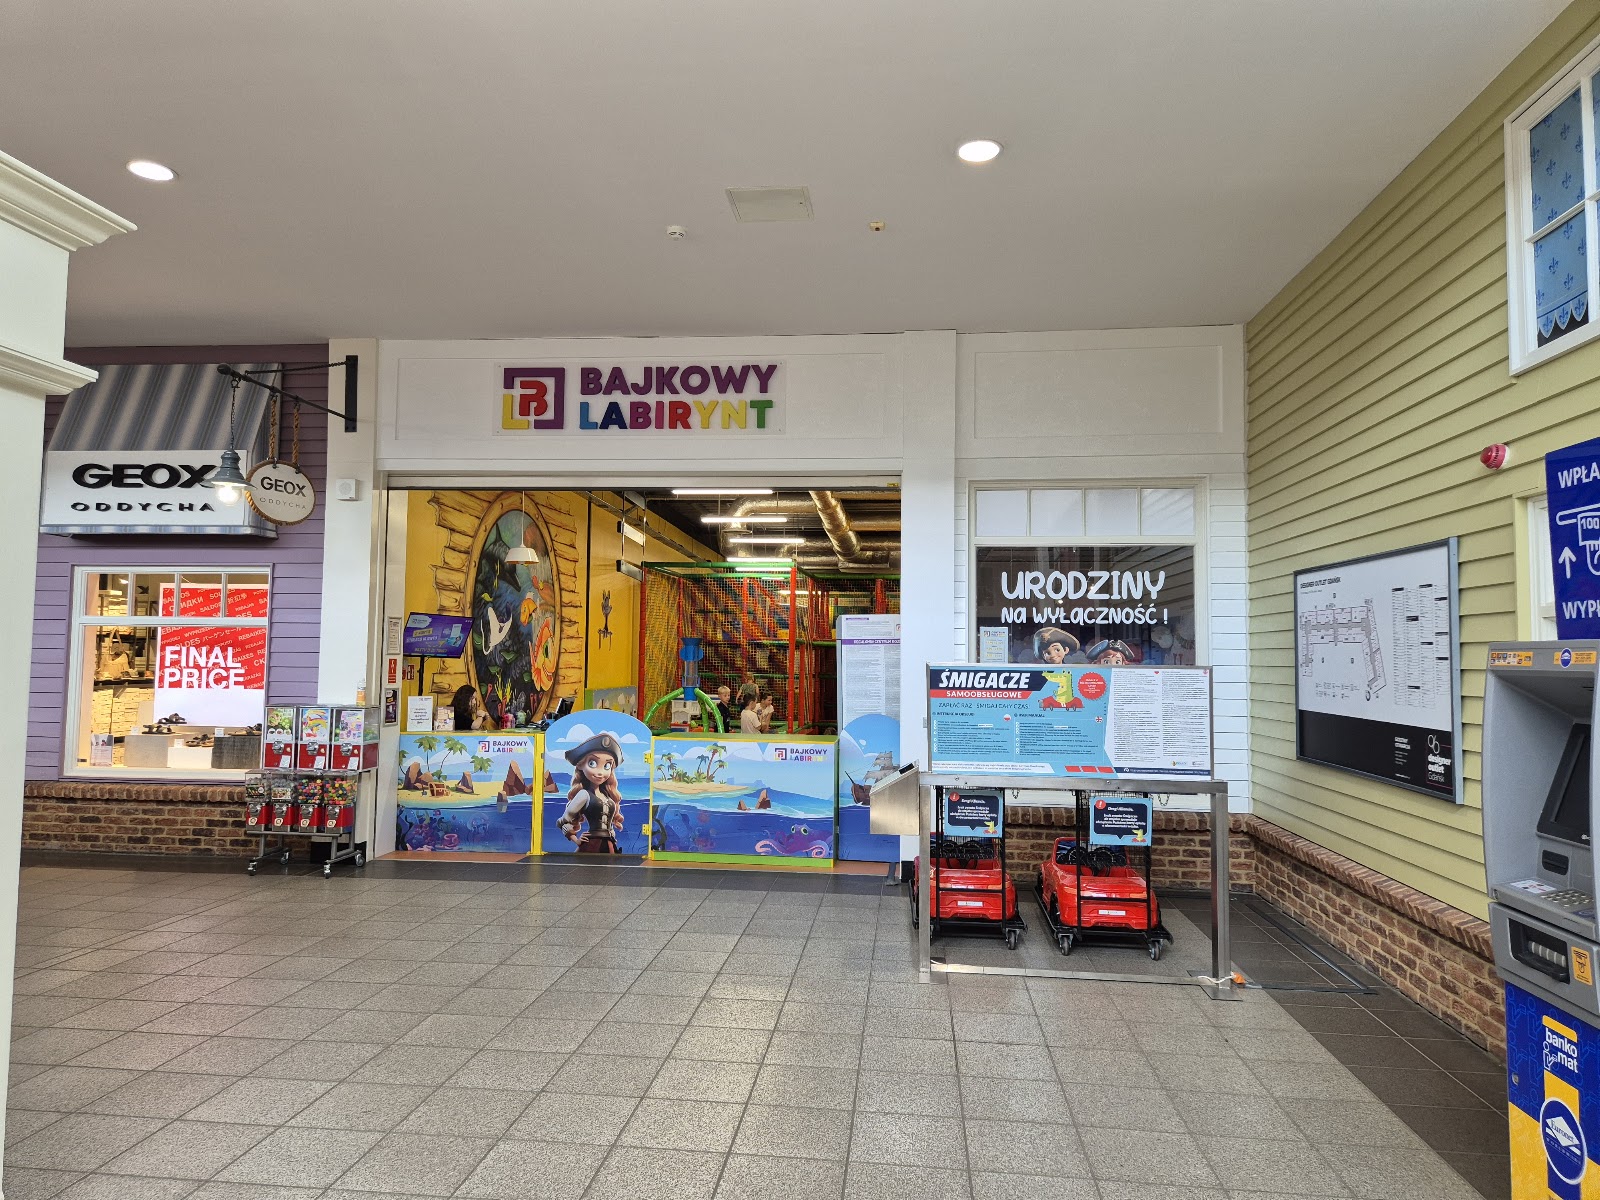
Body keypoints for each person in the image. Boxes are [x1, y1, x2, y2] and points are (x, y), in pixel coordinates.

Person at [558, 732, 627, 853]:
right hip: (592, 845)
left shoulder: (607, 796)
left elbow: (609, 823)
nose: (600, 772)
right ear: (581, 765)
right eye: (592, 763)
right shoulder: (584, 794)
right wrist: (576, 840)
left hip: (609, 844)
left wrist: (612, 838)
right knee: (589, 866)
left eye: (607, 765)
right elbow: (562, 821)